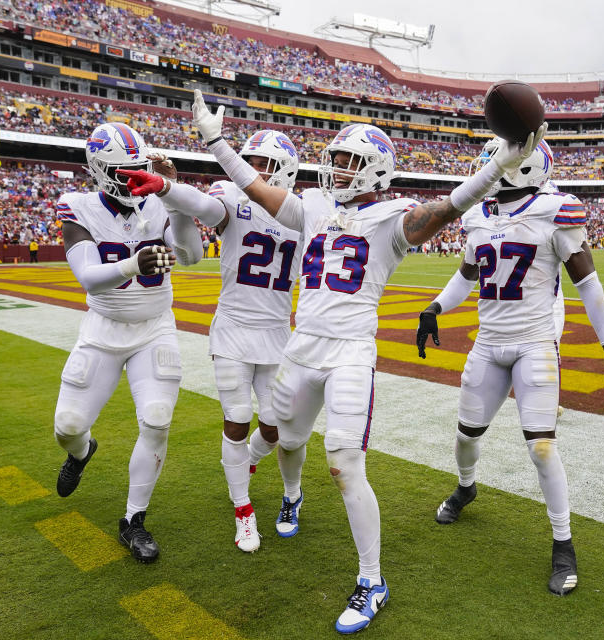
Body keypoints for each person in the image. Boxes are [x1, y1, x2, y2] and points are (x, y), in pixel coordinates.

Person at [130, 89, 544, 634]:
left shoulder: (394, 219)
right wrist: (213, 141)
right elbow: (253, 186)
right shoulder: (316, 208)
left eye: (348, 162)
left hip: (351, 353)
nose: (336, 168)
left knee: (346, 464)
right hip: (301, 349)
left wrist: (495, 167)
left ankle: (371, 579)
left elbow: (450, 206)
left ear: (374, 171)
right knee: (285, 439)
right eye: (335, 159)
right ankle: (284, 493)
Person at [416, 137, 604, 597]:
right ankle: (467, 487)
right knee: (465, 436)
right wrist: (435, 307)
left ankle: (563, 545)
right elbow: (467, 276)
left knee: (541, 449)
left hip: (534, 344)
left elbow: (589, 288)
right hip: (488, 345)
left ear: (523, 167)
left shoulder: (555, 212)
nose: (487, 168)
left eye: (498, 160)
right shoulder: (479, 217)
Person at [119, 130, 302, 554]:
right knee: (237, 419)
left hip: (277, 333)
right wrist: (168, 187)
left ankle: (248, 464)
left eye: (265, 164)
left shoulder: (299, 211)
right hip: (234, 328)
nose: (256, 170)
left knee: (277, 430)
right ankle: (244, 511)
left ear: (286, 171)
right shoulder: (231, 195)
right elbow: (203, 205)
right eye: (251, 161)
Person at [51, 123, 203, 564]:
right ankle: (82, 454)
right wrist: (133, 263)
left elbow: (192, 256)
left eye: (139, 168)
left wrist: (175, 200)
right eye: (122, 170)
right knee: (68, 426)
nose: (132, 178)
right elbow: (88, 278)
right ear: (98, 171)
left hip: (154, 326)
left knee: (156, 419)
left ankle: (133, 520)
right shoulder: (79, 207)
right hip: (103, 327)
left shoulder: (157, 202)